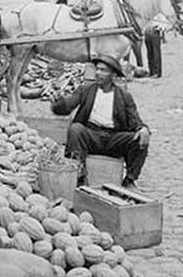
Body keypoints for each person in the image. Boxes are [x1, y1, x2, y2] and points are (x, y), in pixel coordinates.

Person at [51, 55, 150, 189]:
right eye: (97, 69)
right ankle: (80, 175)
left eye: (103, 70)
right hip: (91, 135)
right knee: (76, 129)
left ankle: (130, 179)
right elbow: (67, 106)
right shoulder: (86, 90)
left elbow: (135, 120)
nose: (98, 73)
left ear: (113, 75)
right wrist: (58, 103)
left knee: (139, 139)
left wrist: (143, 129)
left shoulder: (124, 96)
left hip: (113, 138)